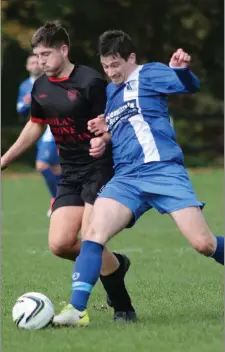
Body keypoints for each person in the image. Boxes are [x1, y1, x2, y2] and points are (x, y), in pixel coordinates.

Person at [53, 30, 224, 327]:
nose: (111, 72)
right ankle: (76, 310)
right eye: (106, 66)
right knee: (93, 234)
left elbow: (188, 87)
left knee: (203, 244)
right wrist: (104, 138)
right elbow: (121, 127)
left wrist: (181, 71)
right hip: (127, 178)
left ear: (131, 58)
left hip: (163, 171)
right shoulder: (110, 92)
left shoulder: (150, 73)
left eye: (116, 64)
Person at [1, 23, 137, 323]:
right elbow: (36, 124)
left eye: (46, 54)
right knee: (60, 244)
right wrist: (5, 159)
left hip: (100, 168)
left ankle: (119, 307)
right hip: (70, 172)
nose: (41, 61)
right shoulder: (40, 87)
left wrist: (104, 140)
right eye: (37, 55)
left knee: (91, 237)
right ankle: (115, 265)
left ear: (64, 49)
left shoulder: (91, 82)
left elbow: (115, 121)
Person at [16, 54, 61, 216]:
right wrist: (26, 103)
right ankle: (64, 198)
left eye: (37, 62)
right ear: (28, 66)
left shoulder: (51, 82)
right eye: (32, 62)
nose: (35, 65)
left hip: (50, 128)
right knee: (56, 168)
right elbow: (20, 109)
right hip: (35, 129)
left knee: (42, 165)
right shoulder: (24, 86)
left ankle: (58, 198)